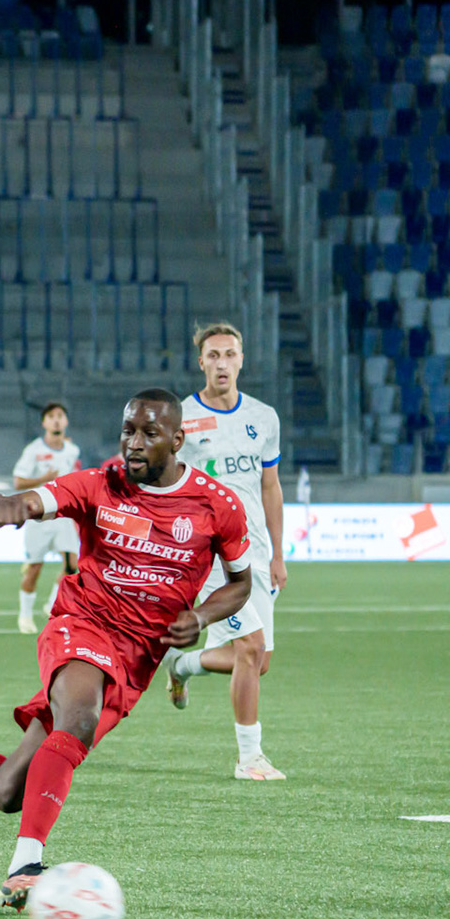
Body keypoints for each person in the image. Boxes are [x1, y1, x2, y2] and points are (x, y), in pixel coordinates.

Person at [0, 389, 254, 908]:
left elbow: (240, 583)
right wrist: (10, 507)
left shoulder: (218, 506)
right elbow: (39, 500)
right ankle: (25, 867)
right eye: (128, 431)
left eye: (149, 434)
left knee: (10, 790)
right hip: (81, 625)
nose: (134, 444)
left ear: (177, 439)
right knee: (77, 718)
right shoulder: (100, 484)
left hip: (136, 660)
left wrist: (202, 616)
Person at [164, 323, 288, 781]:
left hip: (255, 553)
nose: (221, 363)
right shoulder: (182, 418)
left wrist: (277, 554)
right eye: (212, 355)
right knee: (250, 649)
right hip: (212, 557)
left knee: (257, 661)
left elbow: (270, 486)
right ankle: (249, 757)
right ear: (201, 362)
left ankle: (182, 664)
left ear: (241, 359)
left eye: (229, 355)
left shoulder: (264, 417)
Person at [10, 403, 82, 632]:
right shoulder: (34, 450)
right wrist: (44, 477)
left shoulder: (72, 450)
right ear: (44, 423)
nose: (56, 420)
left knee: (73, 565)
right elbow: (18, 481)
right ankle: (25, 616)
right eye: (51, 417)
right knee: (35, 568)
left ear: (66, 421)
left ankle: (52, 603)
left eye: (60, 416)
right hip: (38, 517)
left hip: (63, 516)